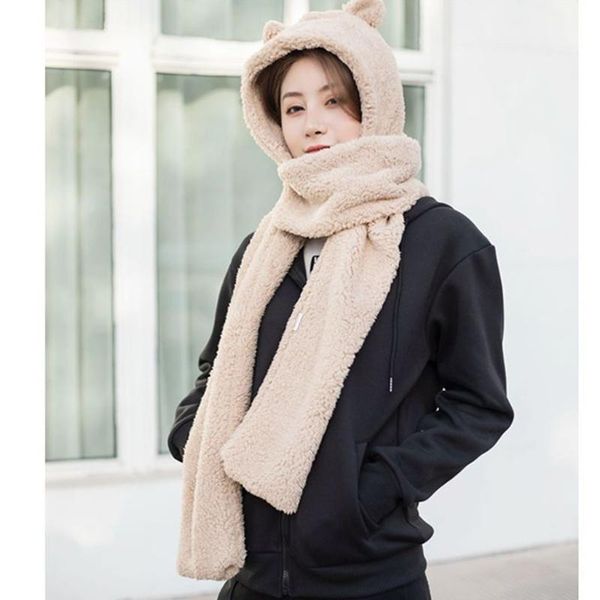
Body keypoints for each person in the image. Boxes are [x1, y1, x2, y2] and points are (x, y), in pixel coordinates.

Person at [168, 1, 514, 599]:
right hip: (252, 577)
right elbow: (217, 367)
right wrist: (194, 437)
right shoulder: (263, 247)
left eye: (334, 101)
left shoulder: (441, 243)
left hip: (371, 577)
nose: (313, 124)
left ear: (375, 103)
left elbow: (479, 405)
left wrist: (373, 491)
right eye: (294, 107)